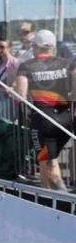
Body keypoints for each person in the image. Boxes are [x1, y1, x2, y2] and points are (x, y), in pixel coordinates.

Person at [14, 30, 75, 191]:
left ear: (36, 47)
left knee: (50, 163)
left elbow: (20, 96)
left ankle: (63, 199)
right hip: (65, 119)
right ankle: (45, 196)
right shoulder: (68, 63)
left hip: (43, 121)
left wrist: (15, 91)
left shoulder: (26, 66)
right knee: (45, 161)